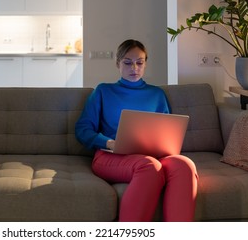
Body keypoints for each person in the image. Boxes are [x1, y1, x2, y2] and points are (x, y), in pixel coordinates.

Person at [75, 39, 198, 222]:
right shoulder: (103, 91)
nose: (134, 67)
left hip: (151, 155)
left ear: (145, 64)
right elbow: (83, 129)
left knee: (184, 165)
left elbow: (167, 131)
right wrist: (109, 142)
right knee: (149, 166)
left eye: (140, 62)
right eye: (128, 62)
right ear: (118, 64)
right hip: (111, 156)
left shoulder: (157, 94)